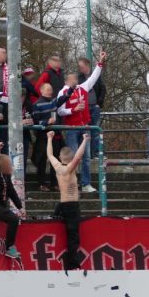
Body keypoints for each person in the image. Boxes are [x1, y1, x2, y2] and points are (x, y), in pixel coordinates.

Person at [57, 50, 104, 193]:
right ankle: (71, 183)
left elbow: (94, 77)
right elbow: (60, 111)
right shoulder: (63, 92)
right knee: (73, 157)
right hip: (72, 127)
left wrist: (100, 62)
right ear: (66, 81)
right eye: (72, 80)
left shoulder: (82, 88)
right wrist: (74, 109)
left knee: (86, 157)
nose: (75, 82)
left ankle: (85, 184)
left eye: (76, 80)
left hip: (85, 126)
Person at [47, 132, 88, 270]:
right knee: (73, 237)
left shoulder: (58, 167)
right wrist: (85, 140)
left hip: (61, 205)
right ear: (70, 160)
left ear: (61, 157)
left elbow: (50, 155)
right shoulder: (69, 169)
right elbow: (79, 156)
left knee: (63, 233)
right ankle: (73, 265)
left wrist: (49, 138)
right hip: (72, 206)